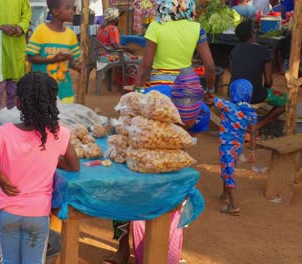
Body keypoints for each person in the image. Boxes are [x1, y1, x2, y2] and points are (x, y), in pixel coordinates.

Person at [107, 1, 216, 263]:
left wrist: (135, 88)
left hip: (155, 98)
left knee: (132, 163)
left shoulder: (157, 26)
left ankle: (123, 248)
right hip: (184, 101)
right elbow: (210, 67)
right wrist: (208, 92)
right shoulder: (196, 28)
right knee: (172, 166)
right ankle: (168, 247)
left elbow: (146, 65)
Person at [0, 72, 80, 263]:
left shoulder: (4, 132)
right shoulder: (58, 134)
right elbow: (74, 165)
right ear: (53, 103)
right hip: (37, 215)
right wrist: (52, 157)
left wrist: (0, 177)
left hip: (9, 213)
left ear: (18, 103)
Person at [229, 20, 286, 132]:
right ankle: (257, 126)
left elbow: (234, 73)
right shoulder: (263, 50)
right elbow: (269, 81)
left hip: (233, 92)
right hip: (254, 93)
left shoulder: (234, 51)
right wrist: (264, 93)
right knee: (285, 101)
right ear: (253, 33)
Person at [213, 79, 257, 216]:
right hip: (238, 146)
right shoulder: (251, 113)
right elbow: (253, 132)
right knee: (228, 169)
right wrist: (253, 150)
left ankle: (234, 206)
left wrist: (207, 93)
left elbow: (210, 99)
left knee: (228, 172)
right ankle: (224, 195)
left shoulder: (226, 105)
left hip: (226, 145)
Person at [26, 0, 81, 103]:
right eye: (67, 8)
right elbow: (30, 57)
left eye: (72, 8)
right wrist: (53, 60)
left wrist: (77, 65)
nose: (72, 11)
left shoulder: (70, 34)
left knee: (63, 117)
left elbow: (73, 62)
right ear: (55, 11)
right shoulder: (41, 30)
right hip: (42, 88)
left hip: (64, 89)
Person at [96, 7, 140, 87]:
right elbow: (116, 46)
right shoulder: (113, 28)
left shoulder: (101, 28)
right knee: (135, 60)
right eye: (118, 17)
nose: (119, 19)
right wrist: (129, 49)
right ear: (114, 19)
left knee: (126, 56)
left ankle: (120, 82)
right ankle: (130, 84)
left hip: (100, 53)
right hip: (109, 54)